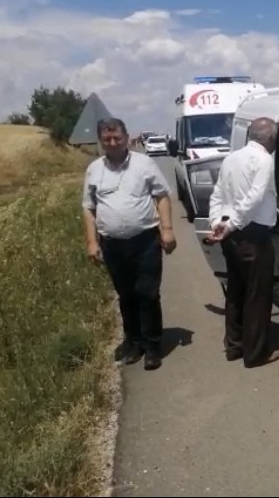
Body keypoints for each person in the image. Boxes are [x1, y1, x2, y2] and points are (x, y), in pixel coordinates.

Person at [82, 117, 177, 371]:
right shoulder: (94, 170)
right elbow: (88, 208)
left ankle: (153, 346)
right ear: (101, 141)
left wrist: (167, 230)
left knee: (147, 293)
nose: (112, 143)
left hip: (145, 241)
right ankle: (134, 342)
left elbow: (162, 196)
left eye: (117, 138)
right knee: (126, 296)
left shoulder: (144, 164)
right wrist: (92, 242)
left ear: (126, 138)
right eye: (106, 139)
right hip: (112, 245)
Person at [207, 117, 279, 368]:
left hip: (232, 236)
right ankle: (255, 353)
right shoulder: (264, 160)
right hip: (253, 234)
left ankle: (234, 346)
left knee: (236, 292)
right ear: (270, 138)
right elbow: (254, 198)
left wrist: (218, 221)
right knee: (257, 295)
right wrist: (230, 224)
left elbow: (218, 193)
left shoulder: (230, 158)